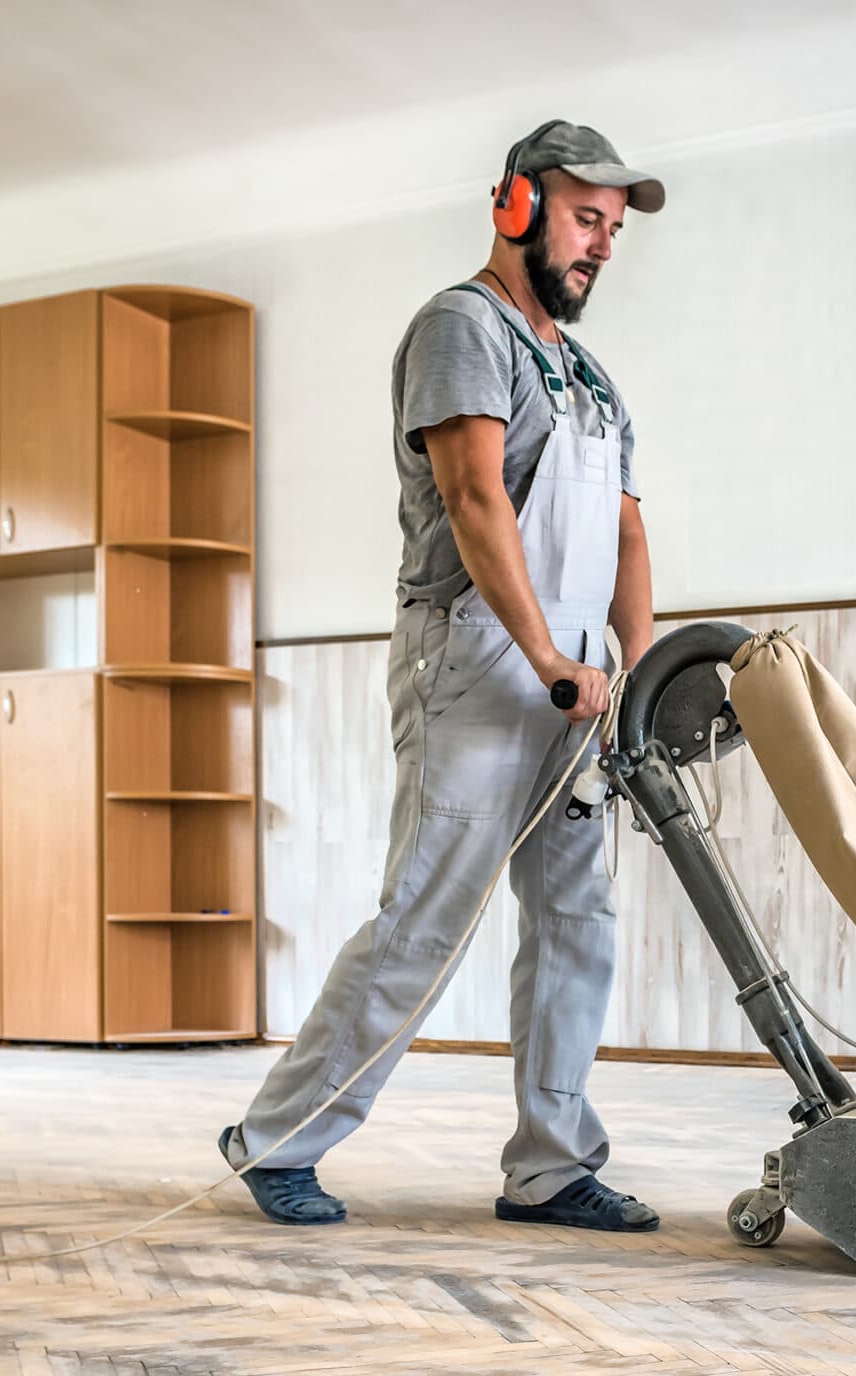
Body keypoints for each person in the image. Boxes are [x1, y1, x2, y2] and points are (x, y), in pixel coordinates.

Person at [217, 122, 666, 1233]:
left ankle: (552, 1165)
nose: (600, 245)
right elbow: (476, 502)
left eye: (611, 229)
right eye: (582, 218)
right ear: (516, 206)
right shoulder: (460, 329)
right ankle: (277, 1136)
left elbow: (623, 531)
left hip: (574, 685)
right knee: (426, 914)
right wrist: (548, 657)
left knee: (578, 920)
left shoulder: (591, 379)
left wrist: (637, 670)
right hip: (473, 657)